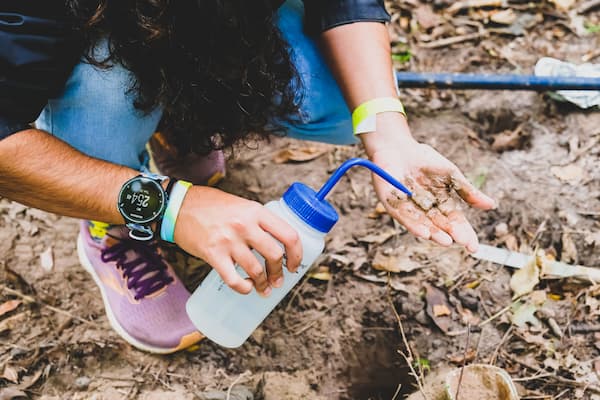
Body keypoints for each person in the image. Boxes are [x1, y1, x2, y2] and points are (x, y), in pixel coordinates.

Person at [0, 0, 496, 354]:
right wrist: (174, 208)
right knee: (105, 89)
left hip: (215, 23)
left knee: (347, 99)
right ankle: (119, 219)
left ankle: (181, 121)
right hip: (101, 31)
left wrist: (386, 130)